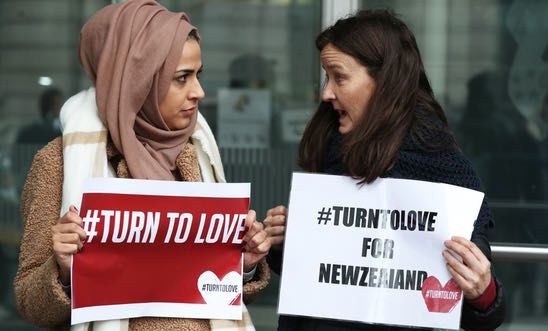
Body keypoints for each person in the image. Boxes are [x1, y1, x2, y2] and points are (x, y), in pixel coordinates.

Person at [14, 1, 270, 330]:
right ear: (138, 80)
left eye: (198, 74)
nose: (200, 92)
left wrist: (243, 264)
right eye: (182, 78)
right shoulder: (60, 162)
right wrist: (63, 269)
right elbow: (31, 305)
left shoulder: (196, 151)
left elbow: (208, 291)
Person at [264, 9, 505, 331]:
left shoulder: (443, 171)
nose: (326, 93)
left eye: (339, 76)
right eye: (326, 77)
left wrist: (483, 293)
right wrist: (287, 241)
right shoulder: (333, 151)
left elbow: (466, 303)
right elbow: (318, 278)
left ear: (384, 81)